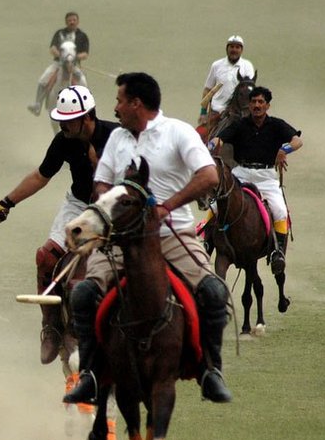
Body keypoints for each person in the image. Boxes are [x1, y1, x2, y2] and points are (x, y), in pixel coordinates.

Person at [64, 72, 233, 405]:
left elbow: (209, 175)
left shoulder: (178, 132)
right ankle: (91, 375)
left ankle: (211, 371)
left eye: (119, 101)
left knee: (214, 292)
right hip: (120, 236)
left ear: (136, 104)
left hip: (174, 233)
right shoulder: (117, 140)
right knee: (83, 294)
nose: (116, 107)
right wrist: (110, 201)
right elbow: (100, 183)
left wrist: (167, 207)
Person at [0, 86, 119, 364]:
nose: (61, 124)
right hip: (78, 204)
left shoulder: (116, 137)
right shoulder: (64, 140)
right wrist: (6, 203)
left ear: (86, 117)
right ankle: (51, 328)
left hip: (114, 207)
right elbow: (41, 175)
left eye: (67, 119)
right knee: (45, 257)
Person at [206, 86, 302, 274]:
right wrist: (209, 146)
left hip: (266, 178)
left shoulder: (276, 125)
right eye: (253, 102)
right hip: (241, 174)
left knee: (280, 210)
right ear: (249, 105)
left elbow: (297, 141)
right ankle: (207, 244)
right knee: (215, 206)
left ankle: (277, 253)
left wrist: (285, 150)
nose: (257, 105)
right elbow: (219, 139)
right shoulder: (240, 124)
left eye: (261, 102)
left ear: (267, 106)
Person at [27, 12, 90, 116]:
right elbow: (53, 48)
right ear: (66, 22)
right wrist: (61, 57)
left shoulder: (82, 36)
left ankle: (86, 107)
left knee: (82, 81)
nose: (72, 22)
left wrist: (74, 58)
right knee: (43, 79)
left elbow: (85, 54)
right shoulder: (60, 33)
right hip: (58, 63)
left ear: (77, 21)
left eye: (74, 20)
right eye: (69, 20)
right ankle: (37, 105)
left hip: (73, 65)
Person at [198, 35, 255, 133]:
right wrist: (203, 113)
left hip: (240, 114)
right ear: (227, 48)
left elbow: (249, 90)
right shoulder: (216, 65)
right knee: (199, 135)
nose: (234, 50)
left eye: (237, 47)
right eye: (231, 47)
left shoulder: (247, 66)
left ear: (241, 50)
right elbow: (207, 89)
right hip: (217, 113)